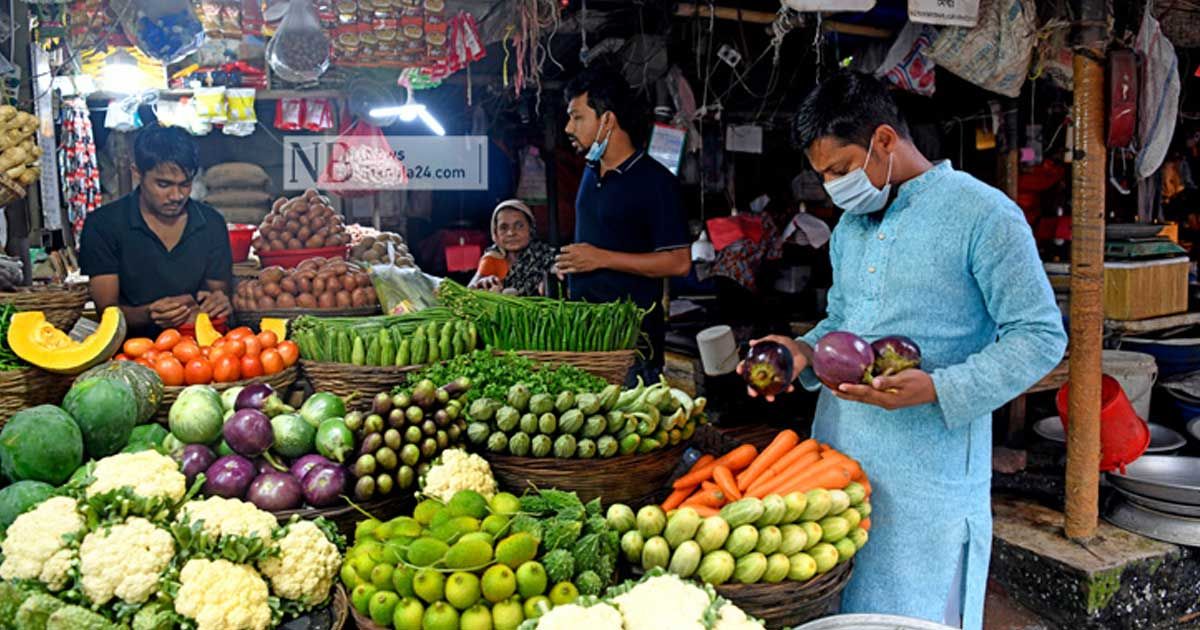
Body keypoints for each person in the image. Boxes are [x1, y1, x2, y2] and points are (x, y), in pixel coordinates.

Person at [741, 71, 1066, 629]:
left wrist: (939, 387)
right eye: (823, 176)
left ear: (885, 141)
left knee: (913, 611)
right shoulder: (851, 229)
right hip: (838, 461)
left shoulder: (984, 215)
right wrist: (799, 352)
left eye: (840, 169)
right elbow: (846, 322)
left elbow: (1040, 336)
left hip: (927, 474)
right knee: (841, 605)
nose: (834, 187)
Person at [557, 67, 691, 379]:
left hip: (632, 344)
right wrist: (571, 264)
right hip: (586, 337)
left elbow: (679, 262)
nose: (568, 127)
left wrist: (599, 258)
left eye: (577, 117)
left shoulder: (656, 181)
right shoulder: (591, 172)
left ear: (607, 120)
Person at [80, 124, 233, 338]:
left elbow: (218, 292)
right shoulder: (103, 225)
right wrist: (148, 314)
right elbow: (107, 313)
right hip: (130, 353)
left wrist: (219, 302)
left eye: (185, 184)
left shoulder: (212, 223)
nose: (176, 195)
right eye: (164, 184)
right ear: (137, 173)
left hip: (199, 350)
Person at [469, 199, 557, 296]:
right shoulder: (492, 257)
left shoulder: (546, 256)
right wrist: (482, 283)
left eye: (519, 226)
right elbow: (469, 291)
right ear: (495, 233)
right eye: (503, 227)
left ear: (531, 229)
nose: (511, 233)